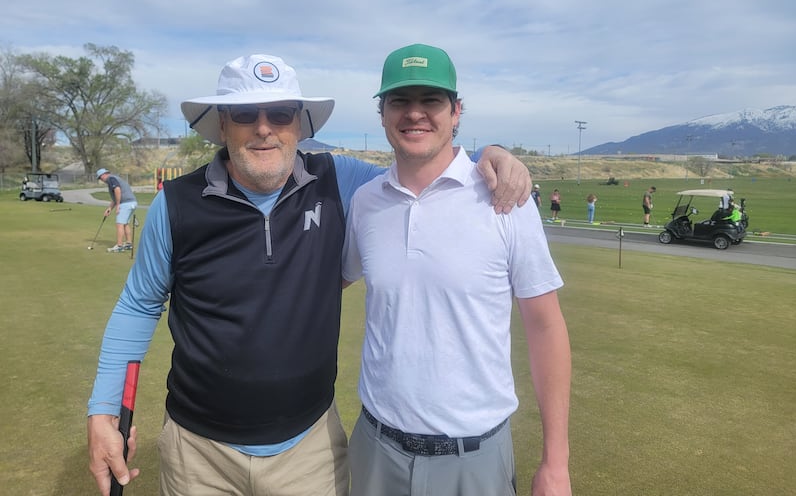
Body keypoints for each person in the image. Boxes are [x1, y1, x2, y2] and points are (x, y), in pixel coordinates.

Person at [86, 54, 532, 496]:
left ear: (298, 123)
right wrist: (103, 411)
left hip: (311, 449)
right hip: (198, 452)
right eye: (245, 114)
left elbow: (423, 169)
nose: (264, 127)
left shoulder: (337, 180)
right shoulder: (177, 203)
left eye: (280, 112)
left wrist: (486, 156)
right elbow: (138, 304)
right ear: (223, 124)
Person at [343, 44, 572, 496]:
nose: (415, 114)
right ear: (382, 113)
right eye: (400, 102)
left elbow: (546, 328)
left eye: (430, 100)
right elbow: (329, 281)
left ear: (456, 111)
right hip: (376, 449)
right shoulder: (365, 202)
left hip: (474, 460)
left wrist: (556, 464)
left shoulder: (505, 198)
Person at [96, 168, 138, 252]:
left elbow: (117, 190)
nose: (101, 180)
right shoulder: (113, 178)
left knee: (120, 224)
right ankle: (128, 244)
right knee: (125, 224)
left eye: (100, 178)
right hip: (132, 202)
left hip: (125, 203)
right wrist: (110, 208)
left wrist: (118, 205)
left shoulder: (110, 179)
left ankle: (119, 246)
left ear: (104, 175)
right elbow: (115, 197)